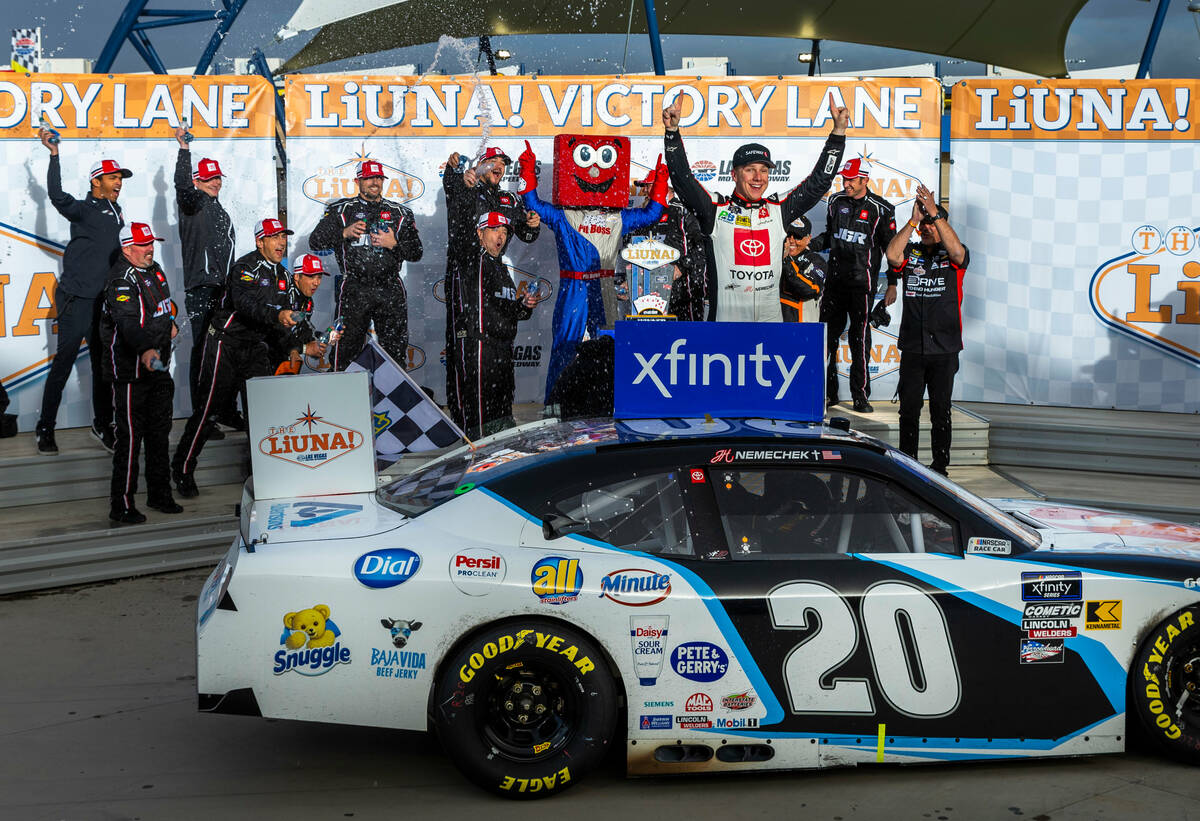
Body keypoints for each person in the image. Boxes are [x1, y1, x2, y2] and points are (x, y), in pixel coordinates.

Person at [661, 96, 847, 323]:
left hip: (769, 327)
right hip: (727, 328)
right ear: (734, 175)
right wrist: (672, 132)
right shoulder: (716, 210)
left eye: (764, 170)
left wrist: (837, 136)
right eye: (750, 170)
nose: (758, 178)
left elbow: (819, 182)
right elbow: (683, 180)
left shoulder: (778, 209)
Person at [517, 139, 668, 400]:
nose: (595, 173)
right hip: (573, 287)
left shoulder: (618, 217)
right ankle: (555, 404)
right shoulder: (564, 214)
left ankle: (606, 401)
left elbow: (652, 214)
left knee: (608, 344)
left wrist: (661, 183)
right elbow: (533, 203)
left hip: (604, 287)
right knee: (565, 345)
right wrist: (527, 171)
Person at [172, 220, 303, 498]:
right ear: (260, 241)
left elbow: (288, 317)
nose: (281, 242)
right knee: (209, 410)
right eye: (274, 236)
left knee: (263, 413)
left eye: (283, 236)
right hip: (224, 342)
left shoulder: (285, 275)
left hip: (255, 347)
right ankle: (182, 469)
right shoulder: (244, 268)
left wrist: (295, 345)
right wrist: (276, 316)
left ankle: (265, 473)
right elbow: (246, 305)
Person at [35, 128, 129, 456]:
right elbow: (57, 196)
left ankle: (102, 425)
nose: (119, 182)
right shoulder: (84, 208)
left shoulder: (117, 211)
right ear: (96, 182)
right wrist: (54, 156)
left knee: (104, 367)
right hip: (77, 298)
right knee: (63, 362)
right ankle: (44, 428)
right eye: (113, 177)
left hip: (103, 302)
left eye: (121, 177)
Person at [442, 146, 540, 412]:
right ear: (480, 165)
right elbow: (452, 187)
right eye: (493, 161)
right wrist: (454, 173)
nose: (499, 166)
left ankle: (497, 413)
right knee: (466, 344)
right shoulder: (467, 186)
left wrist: (533, 225)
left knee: (498, 338)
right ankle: (465, 416)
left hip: (494, 271)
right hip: (465, 272)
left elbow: (528, 236)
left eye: (503, 163)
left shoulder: (508, 199)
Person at [885, 185, 969, 477]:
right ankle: (908, 465)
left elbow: (957, 252)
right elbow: (893, 256)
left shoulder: (954, 255)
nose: (927, 229)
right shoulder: (912, 251)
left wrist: (934, 213)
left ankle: (940, 469)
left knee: (940, 412)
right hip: (913, 347)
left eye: (932, 225)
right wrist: (913, 221)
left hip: (945, 349)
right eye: (926, 226)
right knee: (908, 411)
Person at [100, 222, 180, 524]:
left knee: (160, 434)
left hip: (158, 367)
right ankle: (121, 505)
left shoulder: (154, 268)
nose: (150, 249)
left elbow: (162, 305)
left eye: (152, 243)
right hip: (131, 370)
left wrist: (170, 320)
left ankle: (160, 494)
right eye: (144, 244)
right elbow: (128, 322)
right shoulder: (121, 279)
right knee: (131, 438)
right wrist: (146, 349)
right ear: (127, 248)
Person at [308, 160, 423, 370]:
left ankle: (392, 401)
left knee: (394, 351)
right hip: (354, 288)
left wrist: (394, 244)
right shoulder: (341, 210)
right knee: (345, 348)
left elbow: (416, 252)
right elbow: (315, 241)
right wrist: (343, 233)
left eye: (379, 178)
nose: (375, 182)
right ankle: (344, 400)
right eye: (369, 178)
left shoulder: (400, 213)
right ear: (358, 181)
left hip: (390, 288)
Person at [812, 157, 897, 413]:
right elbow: (830, 236)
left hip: (862, 284)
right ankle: (828, 393)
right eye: (844, 178)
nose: (846, 183)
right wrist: (809, 244)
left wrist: (893, 283)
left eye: (851, 179)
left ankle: (860, 395)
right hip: (835, 282)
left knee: (860, 339)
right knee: (827, 338)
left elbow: (893, 250)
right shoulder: (836, 202)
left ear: (864, 180)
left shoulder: (881, 209)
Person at [447, 213, 539, 439]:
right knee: (480, 413)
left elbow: (511, 311)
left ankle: (500, 457)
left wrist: (525, 304)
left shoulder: (500, 267)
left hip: (503, 348)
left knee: (502, 410)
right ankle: (477, 458)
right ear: (479, 233)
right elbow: (461, 220)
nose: (501, 236)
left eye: (505, 232)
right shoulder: (471, 260)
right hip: (479, 346)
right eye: (494, 230)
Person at [173, 127, 238, 439]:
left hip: (222, 291)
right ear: (197, 181)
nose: (216, 182)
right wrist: (184, 151)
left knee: (223, 355)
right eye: (209, 177)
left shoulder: (217, 207)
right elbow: (181, 186)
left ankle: (223, 409)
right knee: (203, 354)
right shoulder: (193, 202)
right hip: (202, 289)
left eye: (218, 177)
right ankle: (202, 418)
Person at [621, 170, 707, 321]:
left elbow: (701, 247)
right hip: (651, 295)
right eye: (644, 187)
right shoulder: (645, 216)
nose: (645, 191)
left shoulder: (683, 210)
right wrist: (631, 279)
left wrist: (680, 267)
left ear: (662, 186)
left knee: (688, 337)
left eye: (648, 186)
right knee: (656, 340)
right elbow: (635, 251)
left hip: (684, 293)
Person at [269, 256, 334, 374]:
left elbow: (303, 328)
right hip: (261, 354)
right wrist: (297, 349)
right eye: (311, 276)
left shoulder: (307, 301)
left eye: (319, 277)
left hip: (282, 356)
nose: (316, 282)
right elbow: (274, 330)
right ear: (297, 276)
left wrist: (319, 341)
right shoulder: (283, 292)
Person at [780, 216, 826, 323]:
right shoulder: (771, 256)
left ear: (808, 239)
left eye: (797, 236)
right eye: (788, 235)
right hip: (771, 325)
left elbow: (809, 290)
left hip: (801, 329)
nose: (791, 240)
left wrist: (786, 261)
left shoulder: (816, 261)